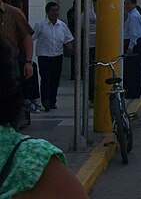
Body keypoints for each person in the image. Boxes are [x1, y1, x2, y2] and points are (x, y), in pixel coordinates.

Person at [0, 38, 87, 198]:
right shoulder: (31, 160)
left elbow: (27, 36)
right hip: (45, 56)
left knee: (52, 81)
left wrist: (28, 61)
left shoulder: (29, 162)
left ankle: (50, 101)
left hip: (55, 55)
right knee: (47, 80)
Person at [0, 0, 42, 116]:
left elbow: (26, 36)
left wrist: (29, 61)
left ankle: (27, 100)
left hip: (9, 60)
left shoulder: (13, 12)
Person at [32, 3, 74, 112]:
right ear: (47, 12)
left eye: (56, 10)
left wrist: (70, 47)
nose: (55, 13)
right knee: (45, 78)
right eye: (52, 10)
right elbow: (32, 37)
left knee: (55, 79)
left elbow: (68, 39)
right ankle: (45, 100)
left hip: (57, 55)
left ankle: (52, 100)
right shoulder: (40, 25)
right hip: (44, 56)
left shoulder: (62, 26)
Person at [122, 0, 141, 99]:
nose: (126, 5)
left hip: (134, 44)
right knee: (133, 69)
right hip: (136, 43)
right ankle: (133, 91)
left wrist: (130, 47)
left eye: (128, 3)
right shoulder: (132, 15)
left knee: (132, 69)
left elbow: (134, 34)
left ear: (134, 4)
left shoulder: (133, 16)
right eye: (125, 3)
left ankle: (133, 92)